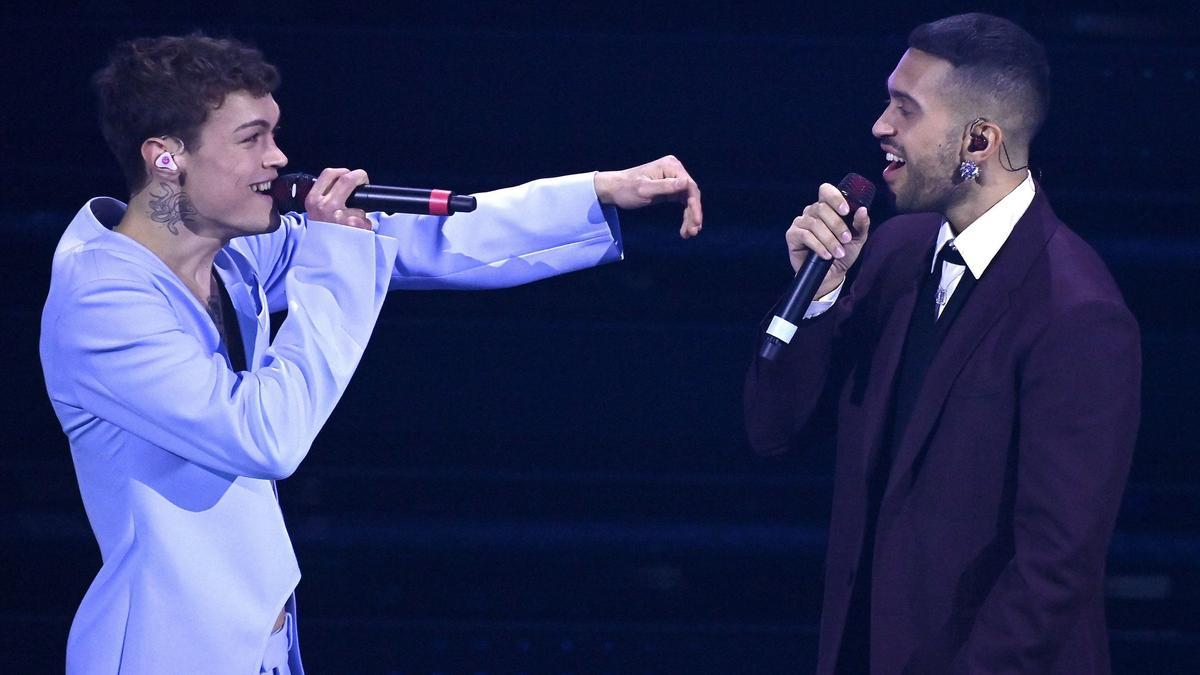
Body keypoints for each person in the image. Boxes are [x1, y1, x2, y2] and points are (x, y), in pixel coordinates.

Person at [40, 33, 702, 674]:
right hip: (165, 651)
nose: (278, 159)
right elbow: (264, 434)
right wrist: (335, 265)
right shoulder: (103, 300)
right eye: (252, 139)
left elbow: (404, 243)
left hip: (258, 644)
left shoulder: (229, 254)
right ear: (166, 158)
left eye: (274, 134)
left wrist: (598, 190)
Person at [744, 13, 1140, 674]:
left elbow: (1052, 573)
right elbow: (772, 431)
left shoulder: (1078, 314)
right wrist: (814, 298)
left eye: (905, 109)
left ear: (978, 141)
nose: (880, 125)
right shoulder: (890, 254)